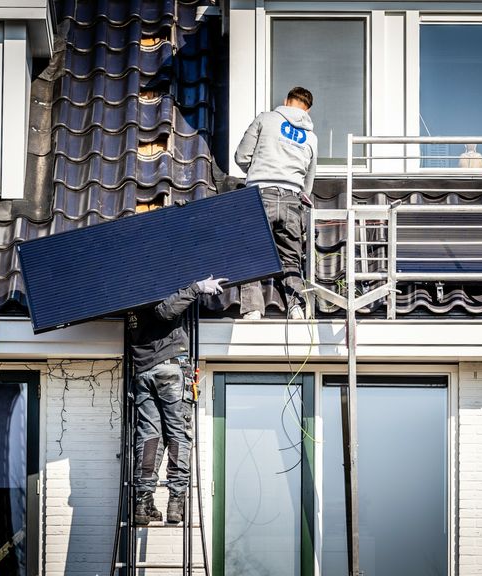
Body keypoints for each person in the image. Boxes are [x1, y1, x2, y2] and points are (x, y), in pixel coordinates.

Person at [127, 275, 227, 524]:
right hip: (170, 367)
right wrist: (197, 288)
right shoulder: (154, 280)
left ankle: (143, 502)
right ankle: (176, 501)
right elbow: (164, 311)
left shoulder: (123, 288)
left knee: (149, 436)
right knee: (178, 434)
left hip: (142, 371)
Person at [234, 86, 319, 320]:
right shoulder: (311, 137)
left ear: (286, 100)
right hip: (293, 198)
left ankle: (253, 309)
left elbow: (241, 156)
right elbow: (308, 181)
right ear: (308, 110)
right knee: (291, 257)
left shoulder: (266, 119)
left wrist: (258, 171)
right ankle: (296, 307)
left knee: (252, 251)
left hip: (261, 193)